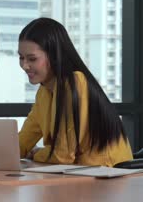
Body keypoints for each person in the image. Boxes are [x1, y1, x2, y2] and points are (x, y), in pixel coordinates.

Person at [18, 17, 133, 167]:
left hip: (108, 176)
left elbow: (61, 155)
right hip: (81, 175)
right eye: (21, 57)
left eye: (32, 59)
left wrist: (36, 153)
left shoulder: (74, 83)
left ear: (54, 55)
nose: (24, 65)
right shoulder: (44, 92)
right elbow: (23, 141)